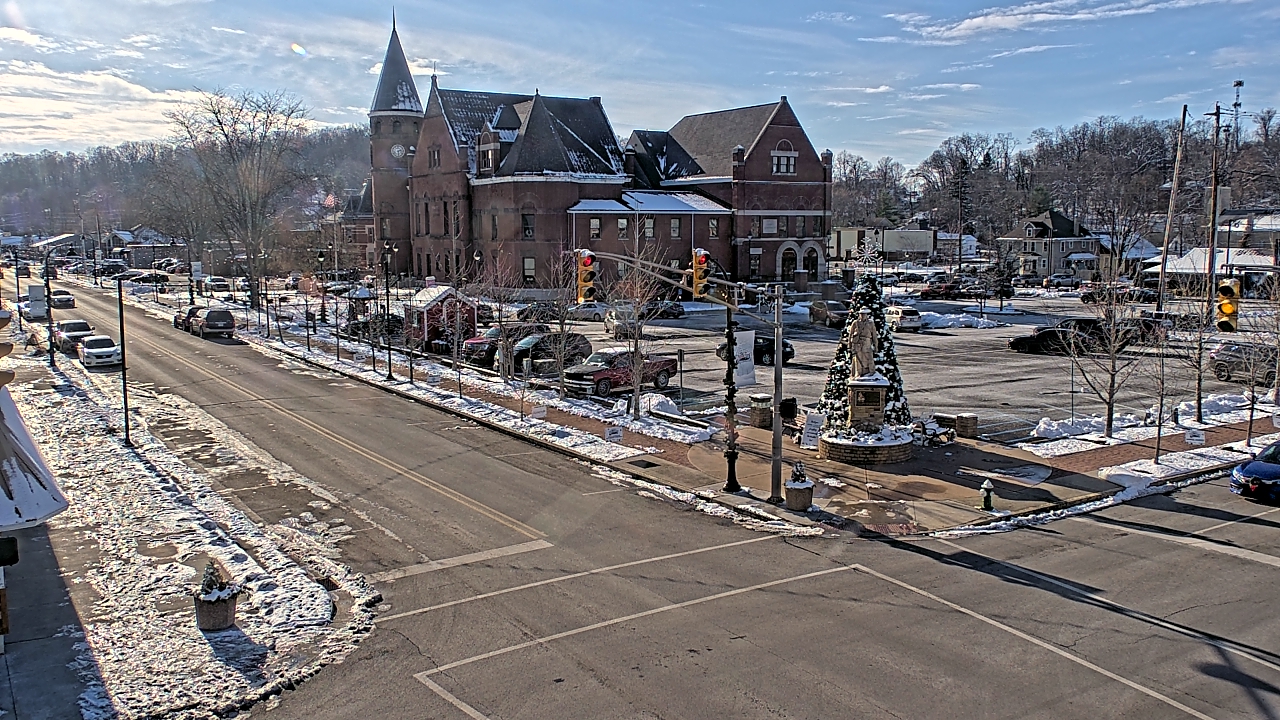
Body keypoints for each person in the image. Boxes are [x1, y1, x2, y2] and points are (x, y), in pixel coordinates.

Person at [850, 307, 877, 377]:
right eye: (861, 314)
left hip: (867, 343)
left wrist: (876, 346)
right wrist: (849, 345)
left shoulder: (870, 323)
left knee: (869, 358)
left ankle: (870, 372)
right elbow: (850, 334)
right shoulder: (855, 323)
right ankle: (858, 373)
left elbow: (874, 335)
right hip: (857, 343)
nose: (862, 315)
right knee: (858, 359)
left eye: (864, 314)